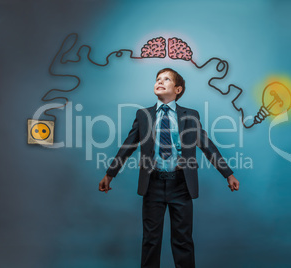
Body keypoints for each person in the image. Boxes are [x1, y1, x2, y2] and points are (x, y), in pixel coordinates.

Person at [99, 68, 239, 268]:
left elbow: (206, 145)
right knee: (150, 240)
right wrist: (110, 174)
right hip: (152, 184)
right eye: (157, 79)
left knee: (183, 240)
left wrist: (228, 173)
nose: (160, 81)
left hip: (181, 185)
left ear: (178, 89)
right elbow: (128, 146)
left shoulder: (190, 115)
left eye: (166, 79)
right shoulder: (143, 115)